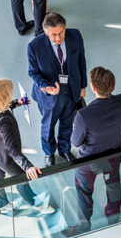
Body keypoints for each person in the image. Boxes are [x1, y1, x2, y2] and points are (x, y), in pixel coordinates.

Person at [66, 67, 121, 235]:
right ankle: (113, 218)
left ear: (93, 88)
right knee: (114, 185)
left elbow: (75, 142)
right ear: (112, 85)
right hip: (113, 155)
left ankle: (83, 227)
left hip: (89, 162)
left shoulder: (84, 115)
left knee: (83, 193)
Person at [0, 79, 55, 215]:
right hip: (4, 156)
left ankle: (1, 204)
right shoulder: (3, 122)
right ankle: (37, 205)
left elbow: (2, 105)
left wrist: (16, 102)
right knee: (21, 178)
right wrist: (28, 167)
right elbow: (12, 149)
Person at [28, 13, 87, 167]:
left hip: (71, 89)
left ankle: (64, 149)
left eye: (61, 33)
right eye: (53, 35)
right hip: (50, 95)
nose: (58, 38)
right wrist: (45, 87)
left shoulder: (75, 36)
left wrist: (82, 86)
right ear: (46, 32)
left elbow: (81, 61)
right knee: (48, 126)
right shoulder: (34, 46)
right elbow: (33, 72)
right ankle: (49, 153)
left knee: (68, 122)